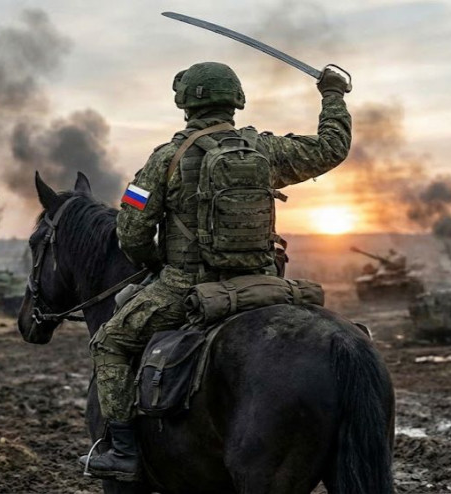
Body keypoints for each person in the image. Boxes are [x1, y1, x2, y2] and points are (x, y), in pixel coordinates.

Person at [86, 62, 352, 481]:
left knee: (110, 343)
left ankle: (122, 451)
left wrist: (153, 261)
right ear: (236, 100)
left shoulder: (162, 160)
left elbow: (131, 227)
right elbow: (331, 148)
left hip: (185, 286)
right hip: (264, 284)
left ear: (185, 104)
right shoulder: (267, 151)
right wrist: (333, 95)